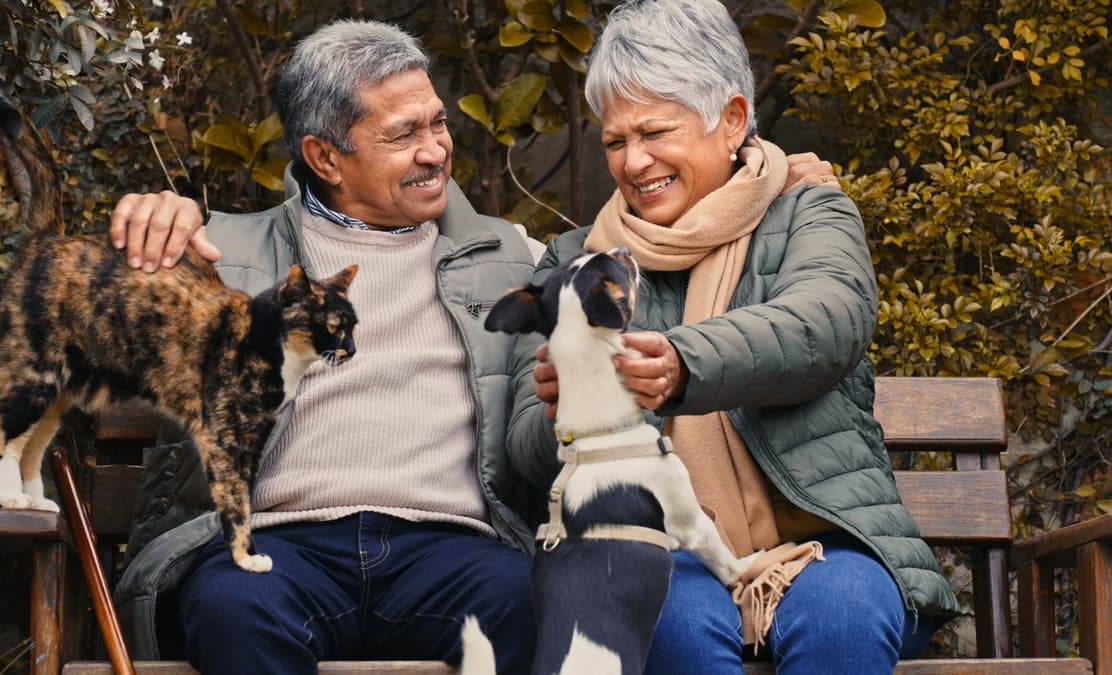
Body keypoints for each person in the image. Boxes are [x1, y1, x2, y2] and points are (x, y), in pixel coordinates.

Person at [106, 16, 838, 674]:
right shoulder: (221, 253)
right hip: (279, 543)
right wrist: (147, 224)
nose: (436, 151)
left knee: (539, 601)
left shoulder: (510, 256)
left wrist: (771, 175)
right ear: (325, 158)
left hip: (449, 549)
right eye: (403, 135)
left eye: (438, 123)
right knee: (234, 608)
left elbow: (672, 213)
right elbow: (97, 335)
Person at [503, 1, 957, 674]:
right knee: (669, 623)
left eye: (655, 131)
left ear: (732, 121)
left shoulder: (811, 212)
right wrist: (568, 412)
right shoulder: (574, 262)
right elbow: (524, 448)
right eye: (616, 140)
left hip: (825, 544)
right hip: (656, 546)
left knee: (843, 622)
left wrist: (681, 365)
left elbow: (824, 322)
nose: (634, 161)